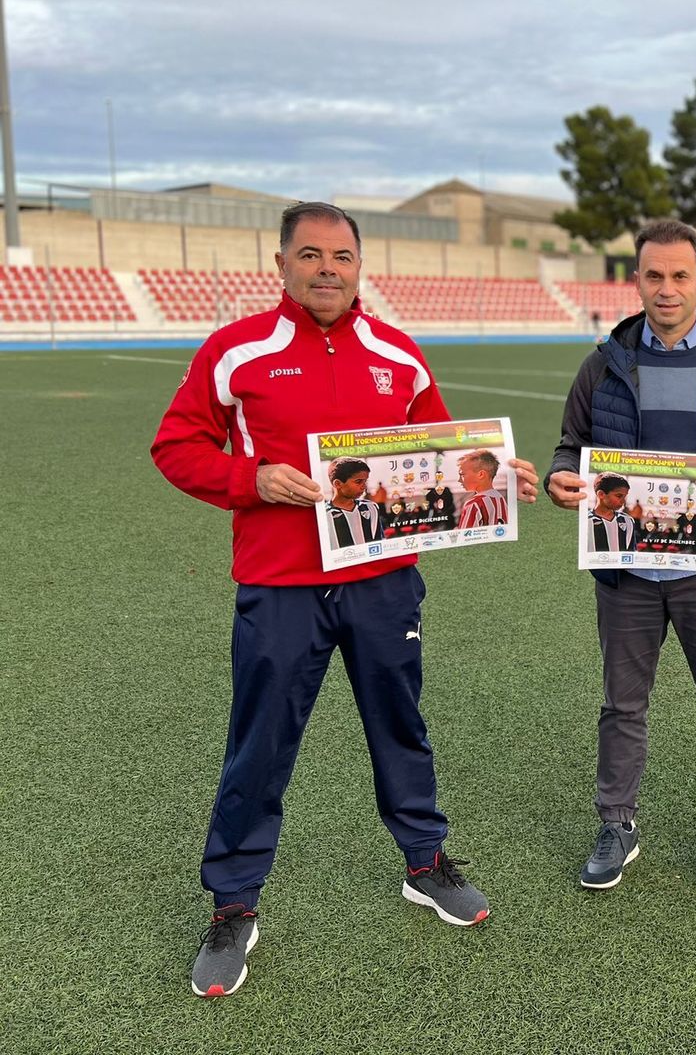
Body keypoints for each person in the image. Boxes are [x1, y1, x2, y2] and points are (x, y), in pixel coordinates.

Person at [151, 202, 541, 998]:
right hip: (279, 585)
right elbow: (176, 445)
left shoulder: (397, 353)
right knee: (259, 743)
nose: (327, 269)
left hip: (383, 582)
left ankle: (425, 863)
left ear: (361, 266)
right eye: (310, 255)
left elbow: (439, 453)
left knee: (402, 726)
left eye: (341, 256)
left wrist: (498, 475)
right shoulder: (236, 352)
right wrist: (249, 479)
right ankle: (233, 904)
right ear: (282, 263)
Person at [545, 218, 696, 892]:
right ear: (635, 281)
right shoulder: (603, 365)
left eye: (680, 275)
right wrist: (559, 477)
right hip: (627, 572)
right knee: (623, 705)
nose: (666, 288)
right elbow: (572, 444)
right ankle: (617, 824)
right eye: (653, 275)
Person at [325, 458, 384, 548]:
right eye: (358, 481)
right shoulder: (324, 515)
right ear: (338, 484)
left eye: (365, 481)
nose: (364, 486)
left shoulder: (371, 508)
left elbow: (379, 542)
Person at [455, 449, 508, 529]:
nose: (459, 480)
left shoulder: (473, 504)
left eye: (462, 474)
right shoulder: (500, 499)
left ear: (481, 475)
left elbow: (465, 537)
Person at [588, 473, 639, 553]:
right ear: (601, 494)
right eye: (619, 496)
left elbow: (632, 552)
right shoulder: (586, 521)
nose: (623, 501)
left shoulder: (628, 521)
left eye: (624, 496)